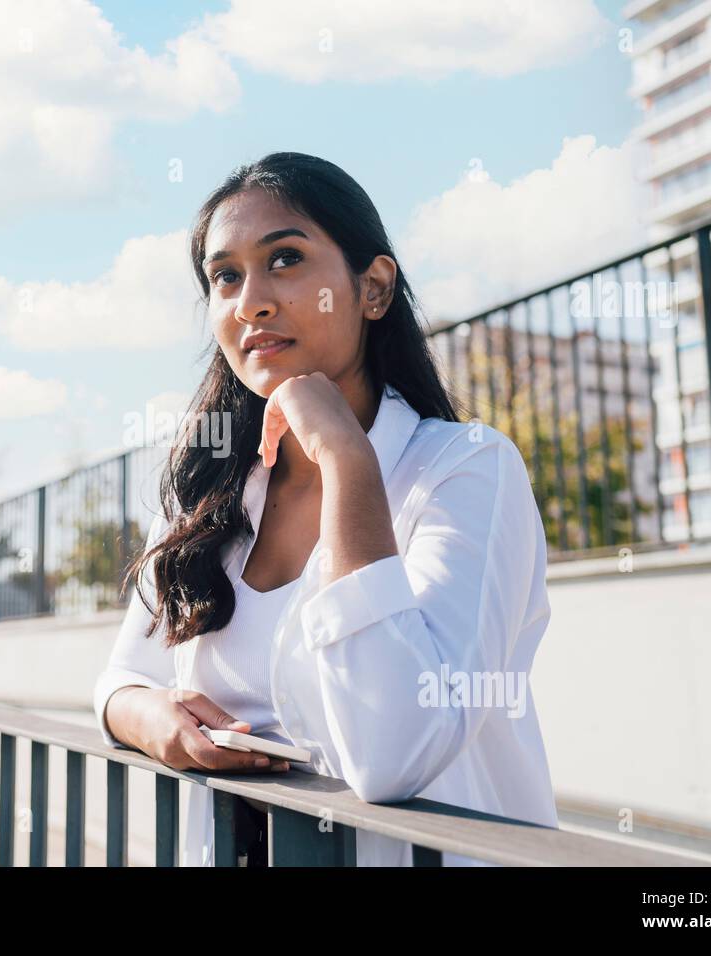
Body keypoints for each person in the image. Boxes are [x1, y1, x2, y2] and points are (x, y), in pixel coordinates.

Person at [93, 151, 559, 866]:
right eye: (225, 276)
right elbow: (124, 678)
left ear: (373, 289)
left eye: (285, 259)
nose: (251, 300)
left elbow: (393, 752)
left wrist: (346, 459)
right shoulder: (206, 495)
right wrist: (152, 721)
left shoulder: (468, 471)